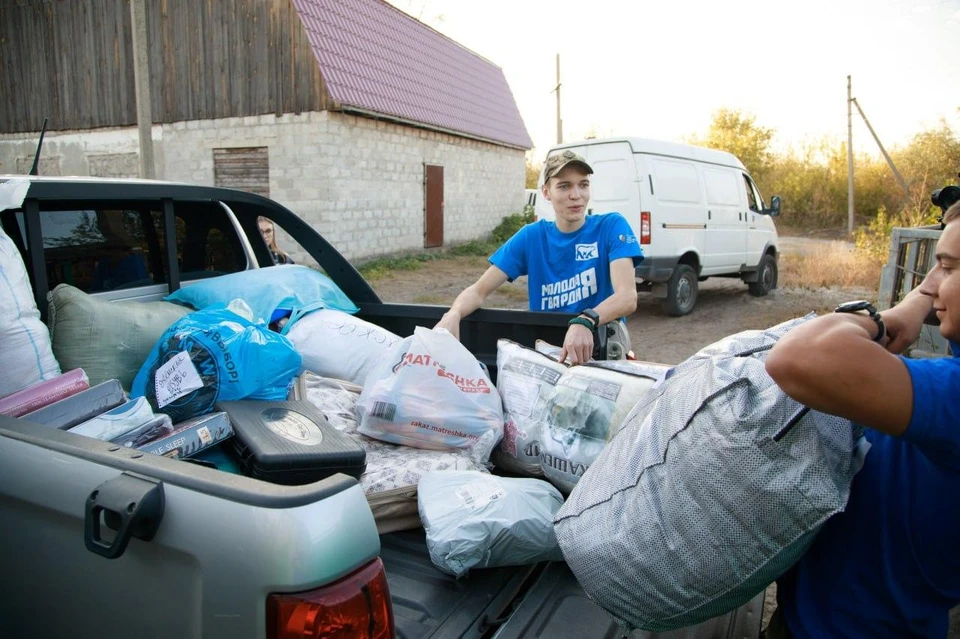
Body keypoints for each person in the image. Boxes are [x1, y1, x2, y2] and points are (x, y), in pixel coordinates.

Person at [763, 201, 960, 638]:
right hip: (829, 613)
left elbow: (798, 357)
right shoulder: (947, 376)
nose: (932, 283)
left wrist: (885, 318)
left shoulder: (954, 394)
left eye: (947, 268)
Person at [435, 150, 643, 364]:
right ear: (546, 192)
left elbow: (627, 297)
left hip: (601, 353)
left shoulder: (610, 227)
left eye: (583, 184)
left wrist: (586, 321)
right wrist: (454, 313)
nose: (576, 194)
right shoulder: (531, 237)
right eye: (564, 186)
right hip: (548, 358)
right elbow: (479, 291)